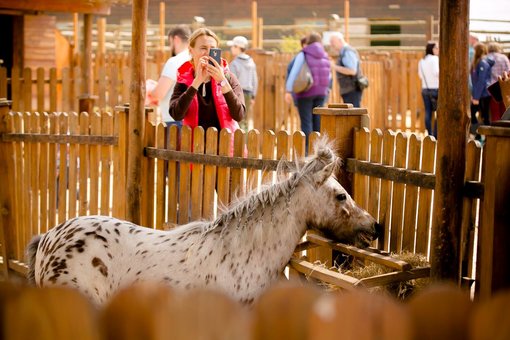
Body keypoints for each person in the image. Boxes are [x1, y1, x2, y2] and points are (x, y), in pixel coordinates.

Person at [169, 27, 245, 136]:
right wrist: (196, 83)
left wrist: (222, 81)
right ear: (191, 50)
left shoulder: (229, 77)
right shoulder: (183, 80)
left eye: (212, 48)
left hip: (225, 146)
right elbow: (176, 114)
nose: (208, 53)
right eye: (203, 48)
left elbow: (239, 115)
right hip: (194, 147)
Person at [284, 32, 331, 148]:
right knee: (317, 122)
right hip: (321, 92)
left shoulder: (304, 53)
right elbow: (329, 76)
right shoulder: (325, 55)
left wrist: (289, 90)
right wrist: (327, 90)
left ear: (308, 41)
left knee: (306, 122)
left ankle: (307, 150)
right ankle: (319, 150)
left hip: (306, 92)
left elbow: (295, 72)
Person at [149, 25, 192, 131]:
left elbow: (159, 93)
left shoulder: (175, 61)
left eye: (170, 43)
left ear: (175, 39)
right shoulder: (194, 59)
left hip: (174, 120)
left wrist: (150, 90)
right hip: (193, 119)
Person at [227, 36, 258, 131]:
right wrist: (253, 96)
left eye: (233, 46)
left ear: (237, 47)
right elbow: (254, 80)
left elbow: (231, 82)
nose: (231, 48)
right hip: (248, 94)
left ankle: (238, 144)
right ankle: (245, 143)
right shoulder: (251, 62)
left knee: (236, 120)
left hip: (237, 94)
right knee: (245, 120)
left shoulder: (234, 63)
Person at [329, 31, 363, 107]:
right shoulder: (344, 52)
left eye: (332, 42)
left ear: (340, 40)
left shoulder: (347, 51)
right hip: (349, 90)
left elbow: (352, 71)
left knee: (353, 115)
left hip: (352, 90)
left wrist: (334, 67)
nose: (331, 45)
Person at [470, 42, 495, 140]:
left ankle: (485, 137)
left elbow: (481, 81)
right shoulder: (478, 62)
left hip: (483, 94)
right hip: (479, 93)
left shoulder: (483, 63)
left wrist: (476, 97)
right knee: (480, 115)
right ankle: (479, 135)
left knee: (484, 116)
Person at [418, 41, 440, 137]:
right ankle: (435, 135)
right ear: (432, 49)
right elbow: (437, 72)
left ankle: (429, 133)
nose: (438, 50)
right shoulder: (435, 59)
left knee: (428, 112)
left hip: (425, 89)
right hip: (435, 88)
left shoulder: (421, 61)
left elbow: (420, 75)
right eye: (436, 48)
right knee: (438, 112)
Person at [486, 42, 510, 121]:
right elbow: (508, 71)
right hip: (505, 86)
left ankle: (495, 130)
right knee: (505, 110)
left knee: (494, 112)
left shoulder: (486, 58)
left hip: (492, 89)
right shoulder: (504, 57)